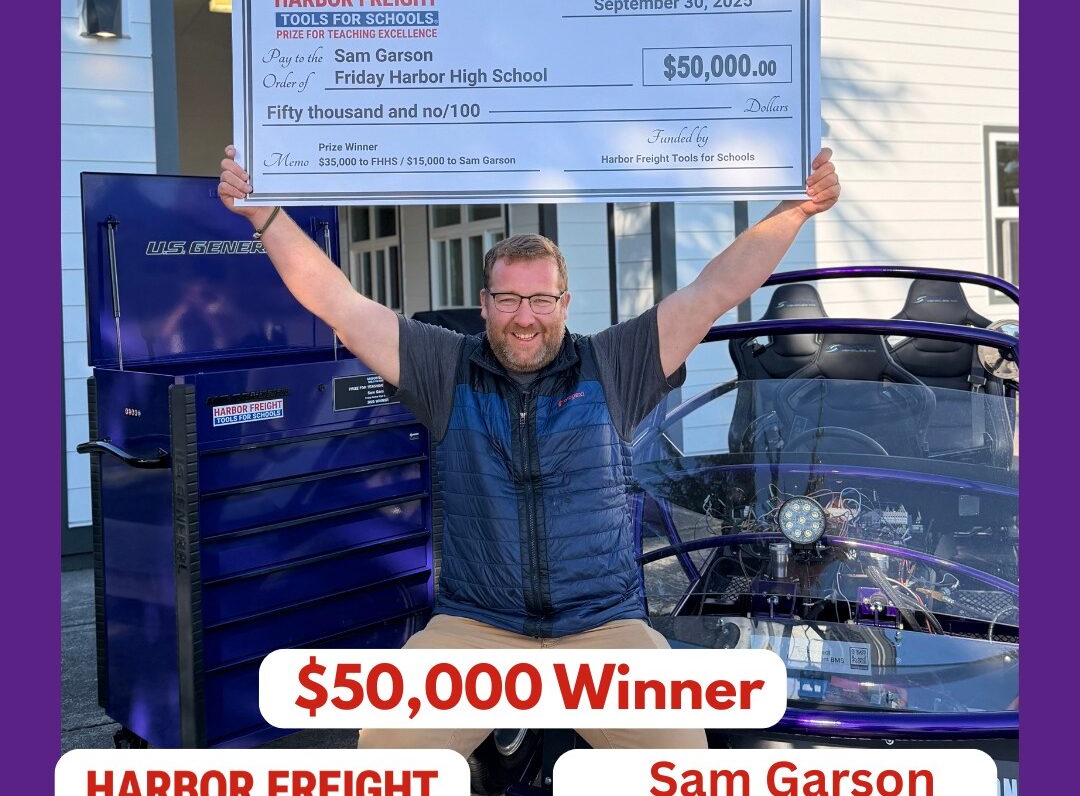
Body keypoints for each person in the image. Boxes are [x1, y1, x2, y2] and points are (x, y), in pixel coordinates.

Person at [217, 146, 841, 754]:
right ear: (485, 304)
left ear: (565, 304)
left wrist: (795, 210)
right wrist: (263, 217)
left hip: (604, 628)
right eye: (509, 299)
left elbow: (713, 290)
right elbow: (340, 305)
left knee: (679, 769)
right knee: (392, 763)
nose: (525, 316)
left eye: (541, 299)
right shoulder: (444, 367)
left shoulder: (613, 364)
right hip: (476, 629)